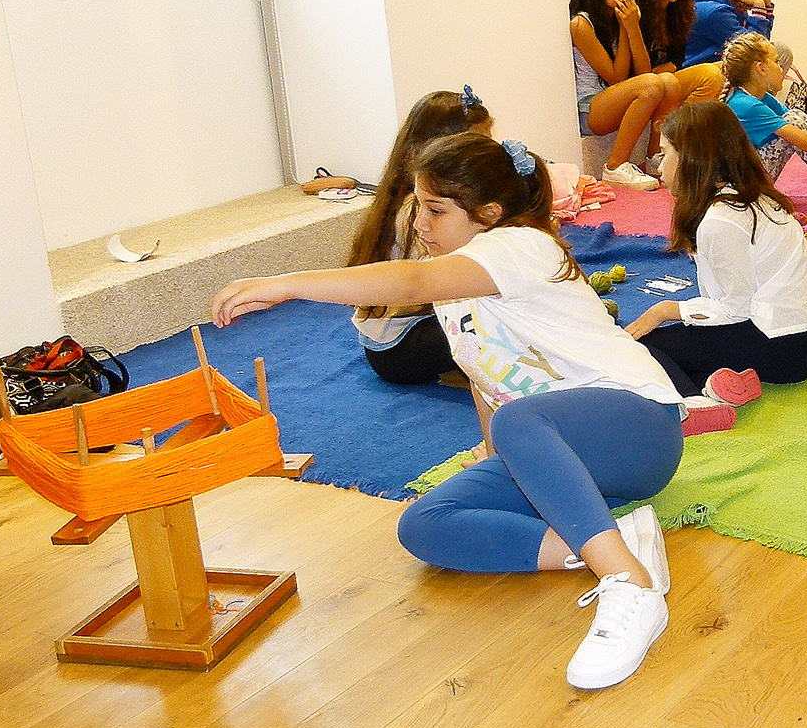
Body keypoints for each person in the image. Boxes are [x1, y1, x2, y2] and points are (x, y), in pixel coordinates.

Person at [210, 133, 683, 692]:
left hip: (641, 429)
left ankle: (630, 584)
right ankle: (616, 541)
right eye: (418, 207)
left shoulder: (519, 246)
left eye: (435, 210)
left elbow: (410, 280)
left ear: (490, 214)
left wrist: (286, 285)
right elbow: (488, 382)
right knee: (424, 524)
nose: (419, 224)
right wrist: (497, 456)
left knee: (519, 422)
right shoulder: (456, 288)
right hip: (573, 453)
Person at [625, 100, 807, 434]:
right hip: (800, 344)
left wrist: (664, 311)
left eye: (665, 154)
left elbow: (734, 309)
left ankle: (695, 405)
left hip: (785, 346)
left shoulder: (721, 220)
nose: (659, 167)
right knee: (681, 342)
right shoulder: (751, 198)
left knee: (647, 347)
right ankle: (723, 384)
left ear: (691, 159)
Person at [346, 86, 491, 384]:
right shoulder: (420, 210)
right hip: (399, 349)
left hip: (408, 328)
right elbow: (450, 281)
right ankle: (471, 374)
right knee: (500, 314)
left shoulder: (433, 198)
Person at [569, 0, 700, 191]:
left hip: (611, 97)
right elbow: (617, 77)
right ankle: (614, 166)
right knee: (652, 84)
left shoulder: (614, 17)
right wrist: (626, 26)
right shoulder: (581, 24)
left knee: (669, 82)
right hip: (590, 108)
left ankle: (654, 157)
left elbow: (642, 70)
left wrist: (631, 27)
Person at [719, 33, 807, 185]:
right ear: (761, 69)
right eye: (777, 62)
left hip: (751, 173)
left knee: (796, 116)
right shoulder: (747, 105)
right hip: (744, 183)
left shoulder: (761, 96)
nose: (781, 69)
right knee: (794, 121)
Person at [627, 0, 724, 104]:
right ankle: (682, 119)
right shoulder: (636, 14)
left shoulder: (678, 9)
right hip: (643, 87)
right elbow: (640, 74)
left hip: (666, 77)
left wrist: (670, 67)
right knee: (710, 75)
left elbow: (678, 56)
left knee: (723, 69)